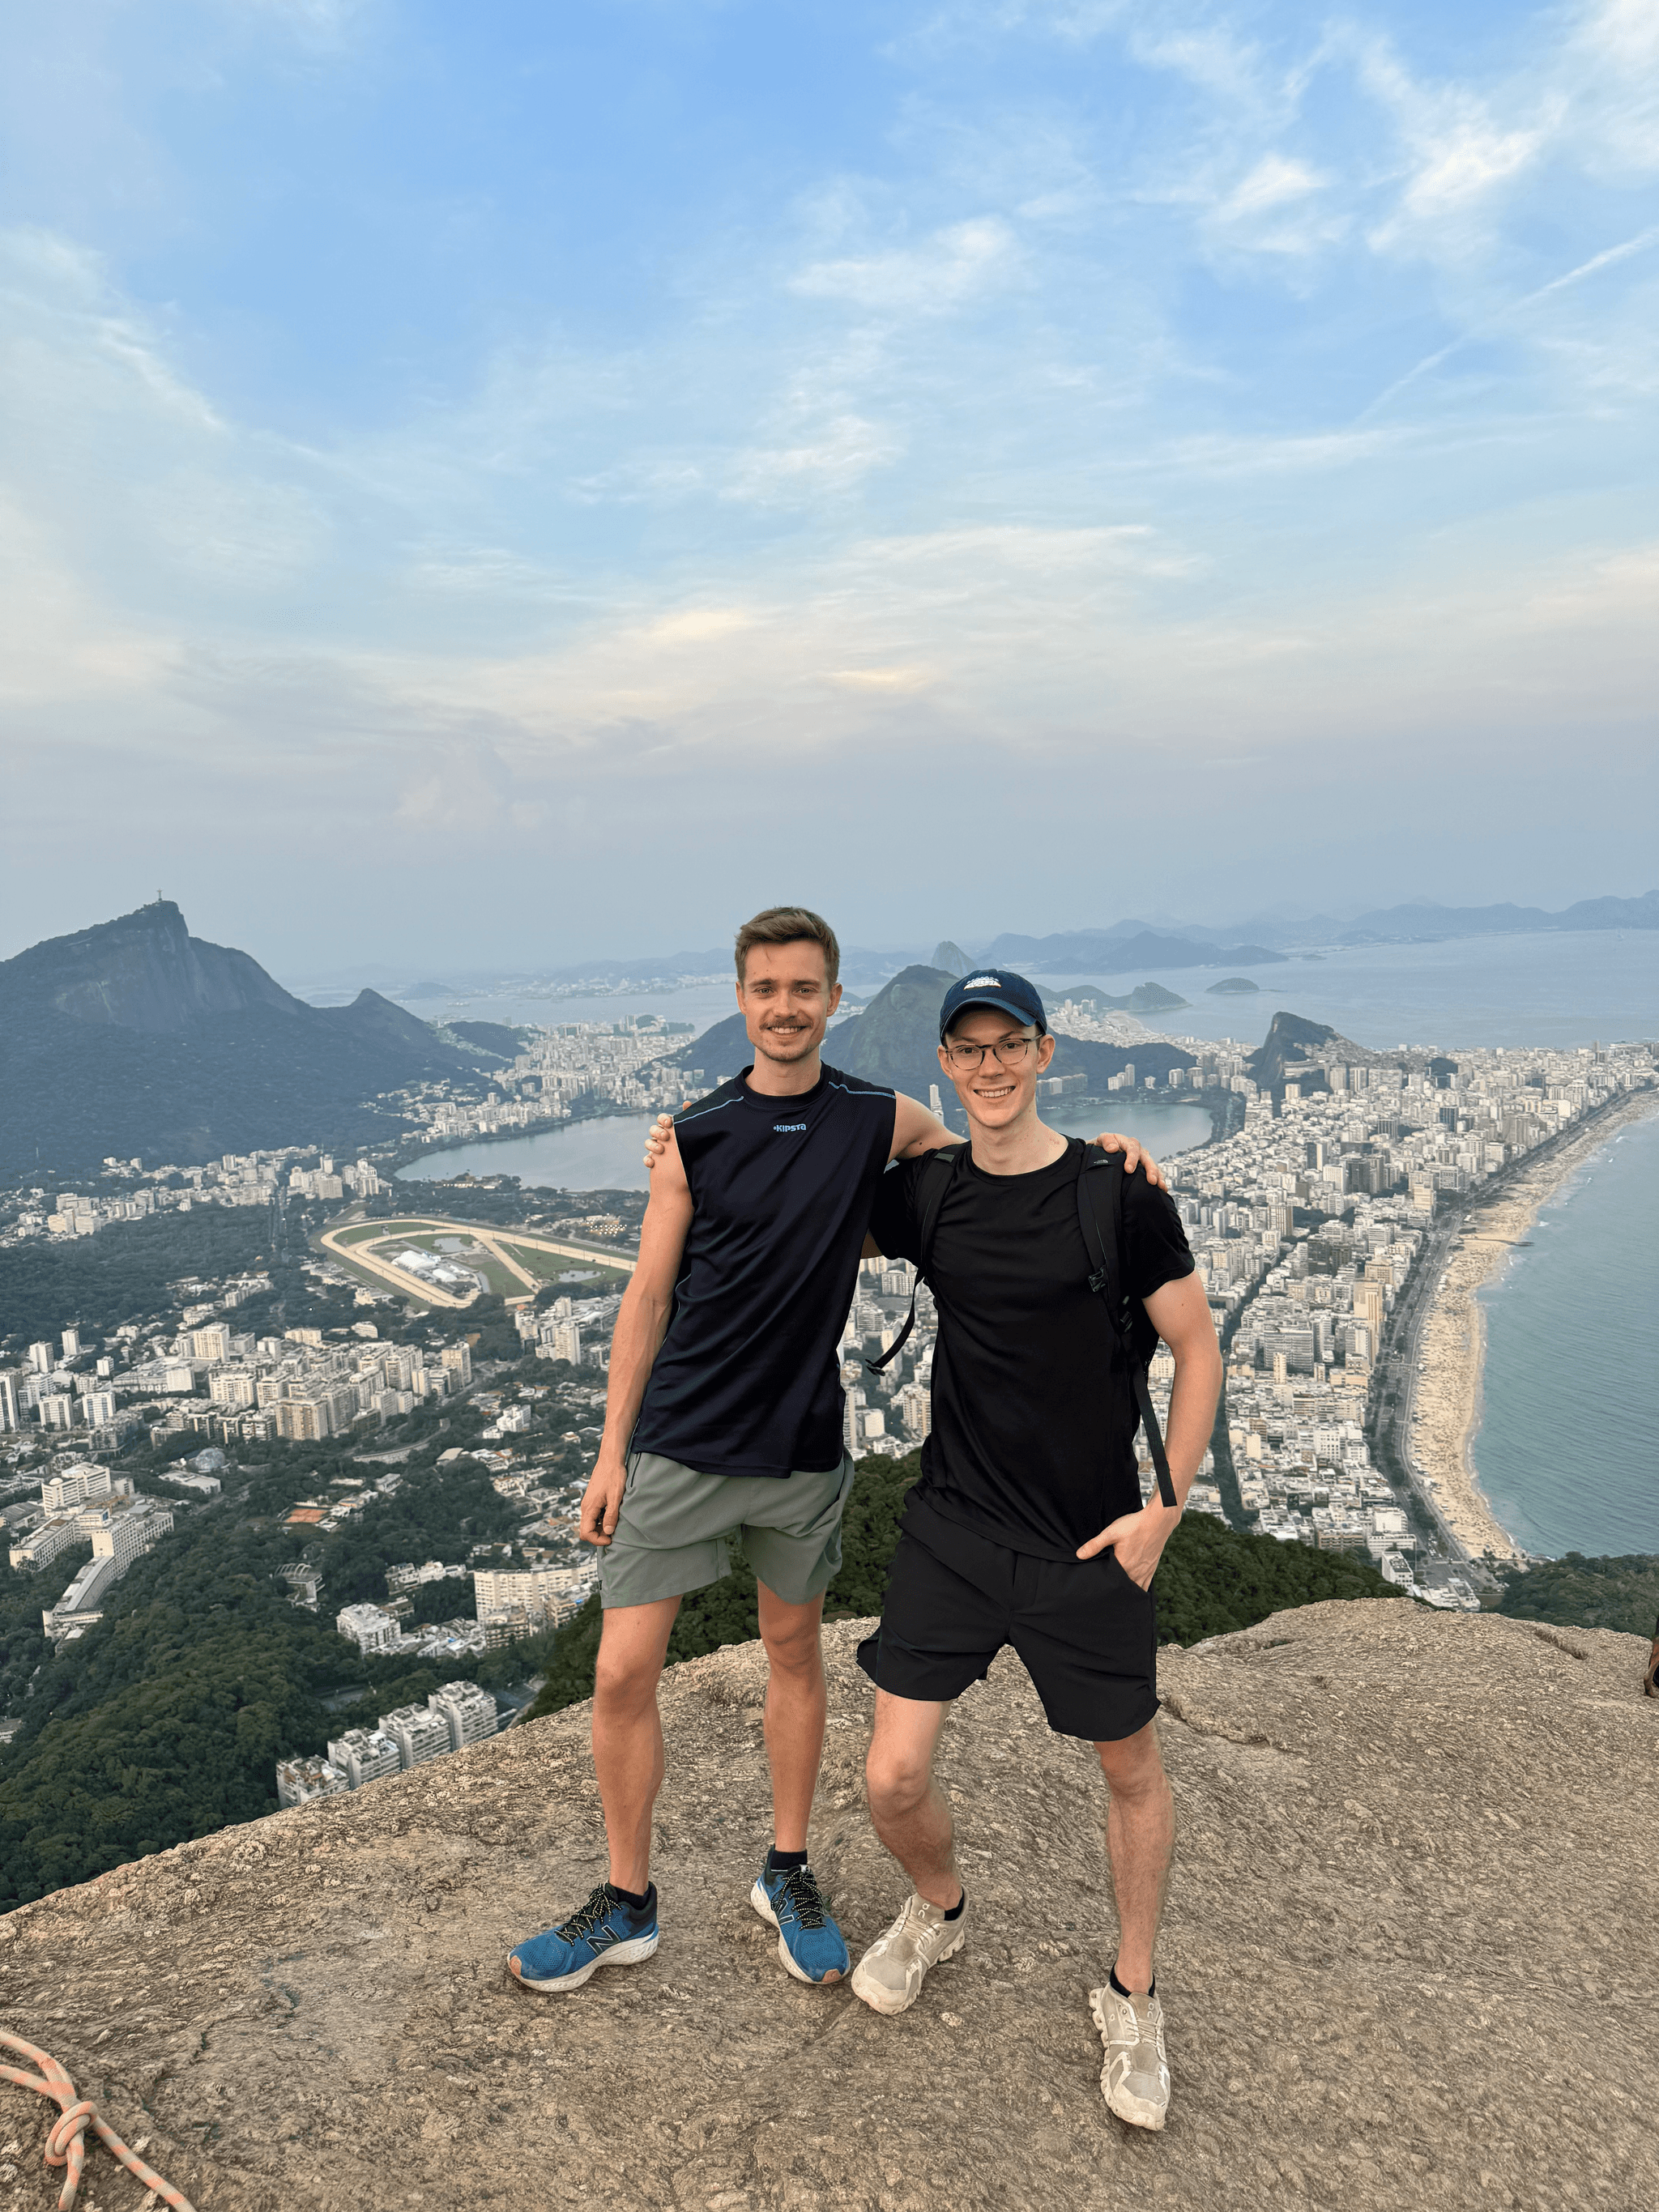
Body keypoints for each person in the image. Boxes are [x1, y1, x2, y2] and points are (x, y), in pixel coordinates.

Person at [506, 912, 1164, 1995]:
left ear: (834, 997)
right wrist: (610, 1449)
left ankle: (788, 1866)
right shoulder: (696, 1132)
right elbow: (649, 1294)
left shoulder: (874, 1115)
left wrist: (1104, 1159)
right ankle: (627, 1900)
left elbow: (998, 1155)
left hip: (804, 1444)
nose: (784, 1005)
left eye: (804, 987)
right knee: (622, 1670)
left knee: (794, 1653)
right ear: (740, 998)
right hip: (682, 1435)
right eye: (766, 987)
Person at [847, 968, 1222, 2135]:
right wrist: (682, 1145)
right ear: (946, 1068)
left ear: (1048, 1053)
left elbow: (1198, 1346)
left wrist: (1166, 1503)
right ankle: (940, 1906)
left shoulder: (1118, 1192)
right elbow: (801, 1186)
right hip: (955, 1522)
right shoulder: (932, 1193)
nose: (993, 1065)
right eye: (970, 1049)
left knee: (1129, 1773)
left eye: (1013, 1045)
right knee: (889, 1777)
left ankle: (1135, 1991)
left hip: (1090, 1538)